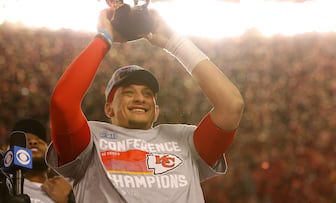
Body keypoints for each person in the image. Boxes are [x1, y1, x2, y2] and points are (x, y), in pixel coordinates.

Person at [46, 6, 244, 203]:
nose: (140, 98)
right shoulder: (91, 142)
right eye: (128, 93)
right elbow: (63, 103)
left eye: (148, 94)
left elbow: (231, 105)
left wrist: (174, 42)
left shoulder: (185, 140)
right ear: (108, 108)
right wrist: (104, 38)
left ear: (156, 111)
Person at [12, 119, 75, 203]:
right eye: (26, 141)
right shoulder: (6, 187)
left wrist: (71, 199)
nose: (33, 142)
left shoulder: (69, 188)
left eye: (39, 140)